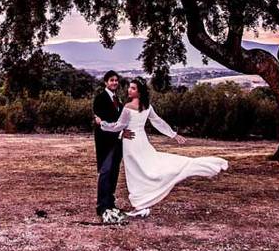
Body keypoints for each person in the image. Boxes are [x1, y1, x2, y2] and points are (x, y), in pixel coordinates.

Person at [95, 77, 228, 218]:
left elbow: (118, 126)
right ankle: (141, 205)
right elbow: (158, 122)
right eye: (130, 87)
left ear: (139, 92)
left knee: (135, 173)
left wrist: (102, 123)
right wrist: (173, 134)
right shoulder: (147, 106)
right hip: (141, 140)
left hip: (132, 143)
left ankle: (140, 204)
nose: (129, 90)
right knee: (147, 168)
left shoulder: (128, 107)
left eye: (133, 88)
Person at [93, 71, 134, 223]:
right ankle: (102, 206)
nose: (115, 83)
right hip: (105, 142)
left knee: (114, 173)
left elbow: (121, 121)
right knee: (105, 172)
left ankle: (110, 202)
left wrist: (123, 131)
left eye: (116, 80)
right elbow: (102, 120)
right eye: (112, 80)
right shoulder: (100, 98)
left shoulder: (118, 99)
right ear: (106, 82)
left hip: (117, 141)